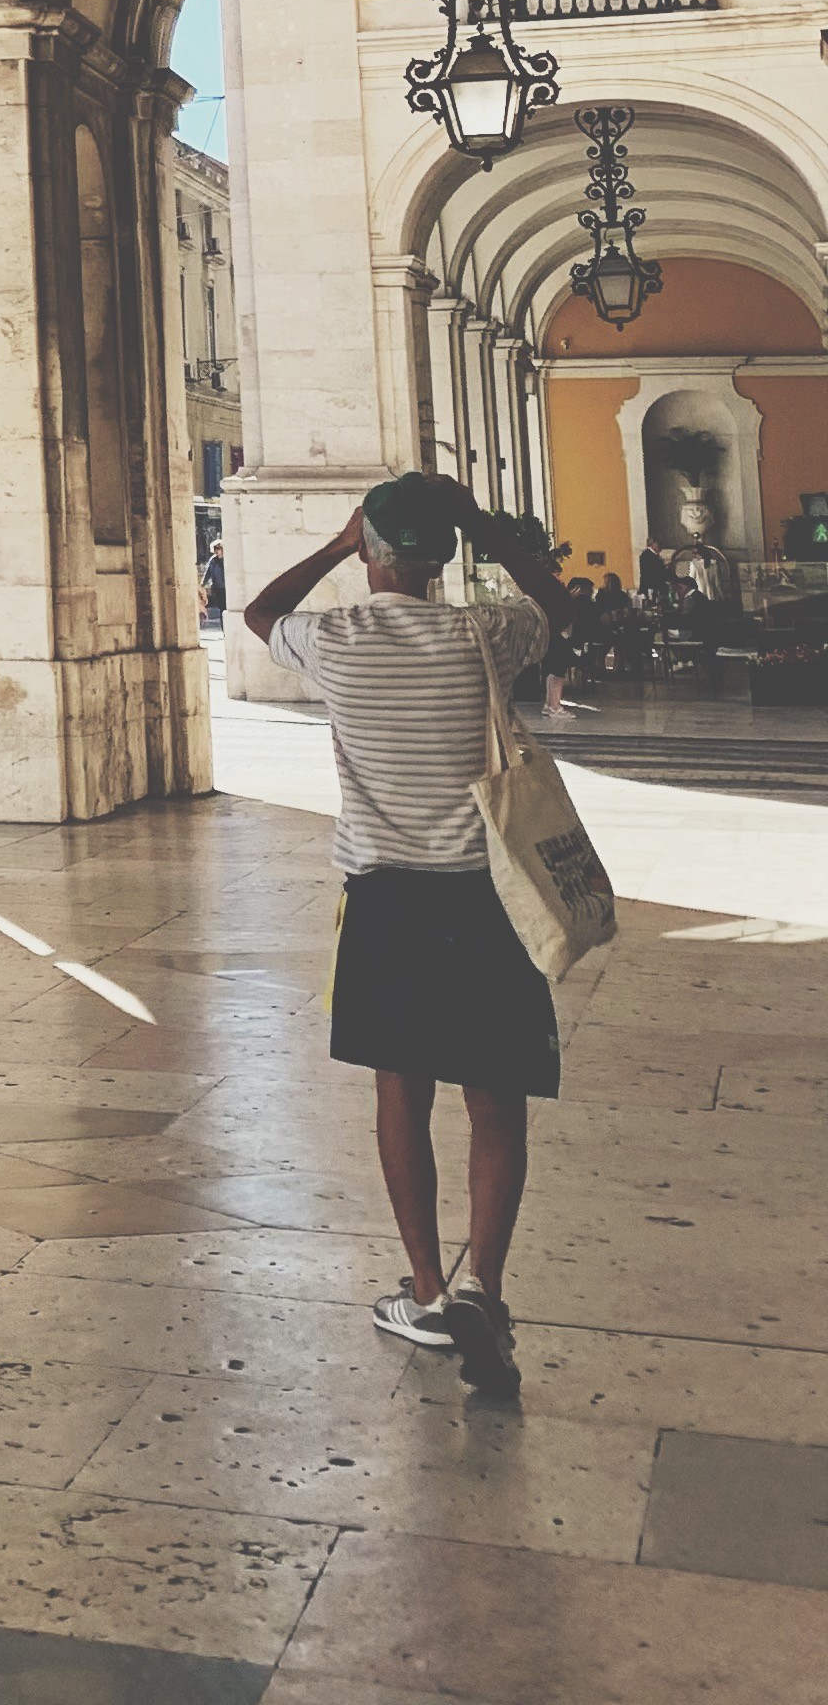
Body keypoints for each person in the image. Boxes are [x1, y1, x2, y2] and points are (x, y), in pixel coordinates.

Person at [242, 470, 582, 1402]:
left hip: (386, 900)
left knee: (403, 1090)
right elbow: (555, 599)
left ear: (373, 551)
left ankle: (427, 1288)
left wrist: (335, 542)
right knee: (495, 1099)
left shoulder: (337, 639)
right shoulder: (486, 633)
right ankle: (485, 1287)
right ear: (442, 556)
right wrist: (484, 526)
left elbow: (259, 611)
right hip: (489, 898)